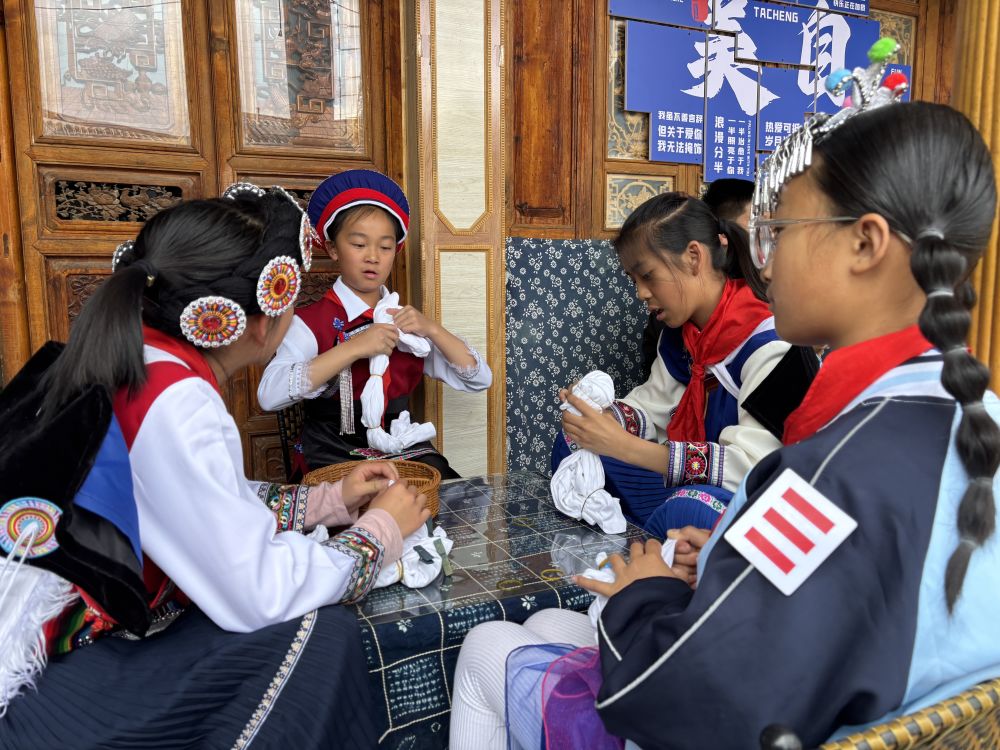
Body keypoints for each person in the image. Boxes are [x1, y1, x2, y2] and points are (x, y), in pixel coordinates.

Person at [452, 69, 1000, 750]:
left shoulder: (830, 472)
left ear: (866, 243)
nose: (762, 263)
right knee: (548, 624)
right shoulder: (973, 416)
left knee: (490, 646)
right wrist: (724, 555)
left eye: (779, 229)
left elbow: (690, 698)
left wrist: (644, 592)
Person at [0, 185, 430, 747]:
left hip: (70, 625)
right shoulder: (177, 402)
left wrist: (326, 501)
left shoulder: (142, 354)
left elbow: (198, 500)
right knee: (321, 637)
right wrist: (379, 533)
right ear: (260, 323)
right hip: (57, 672)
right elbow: (257, 591)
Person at [551, 193, 817, 537]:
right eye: (634, 281)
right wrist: (600, 418)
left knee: (690, 507)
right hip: (685, 485)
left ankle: (659, 533)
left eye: (648, 276)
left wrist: (626, 447)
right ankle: (660, 535)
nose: (641, 293)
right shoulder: (680, 337)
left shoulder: (771, 343)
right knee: (574, 443)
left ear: (694, 257)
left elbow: (754, 469)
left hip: (749, 503)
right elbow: (653, 408)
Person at [258, 169, 492, 480]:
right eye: (359, 244)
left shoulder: (404, 324)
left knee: (450, 495)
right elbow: (269, 395)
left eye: (385, 247)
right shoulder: (309, 323)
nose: (373, 257)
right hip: (332, 452)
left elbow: (480, 380)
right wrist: (355, 348)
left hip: (401, 448)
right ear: (333, 249)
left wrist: (432, 329)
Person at [641, 179, 754, 377]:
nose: (770, 237)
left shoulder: (766, 307)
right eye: (757, 225)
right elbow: (657, 388)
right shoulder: (671, 315)